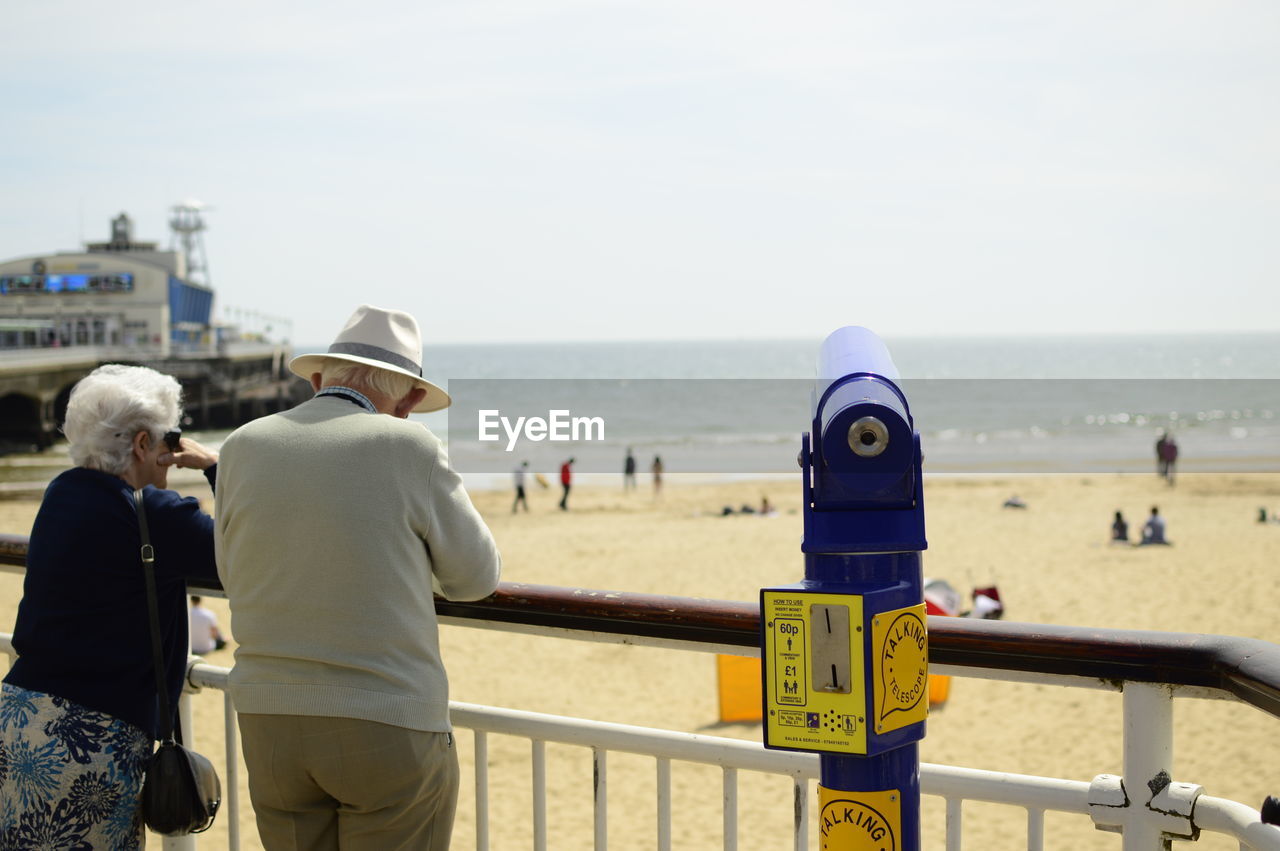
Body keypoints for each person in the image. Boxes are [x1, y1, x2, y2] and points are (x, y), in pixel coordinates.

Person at [215, 305, 501, 850]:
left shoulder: (242, 444)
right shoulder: (407, 446)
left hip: (267, 714)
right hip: (384, 716)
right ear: (412, 400)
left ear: (320, 379)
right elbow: (476, 578)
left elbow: (232, 573)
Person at [0, 364, 219, 849]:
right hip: (91, 742)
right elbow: (250, 549)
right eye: (170, 440)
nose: (172, 455)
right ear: (143, 444)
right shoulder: (156, 516)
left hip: (18, 720)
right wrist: (214, 467)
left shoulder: (61, 492)